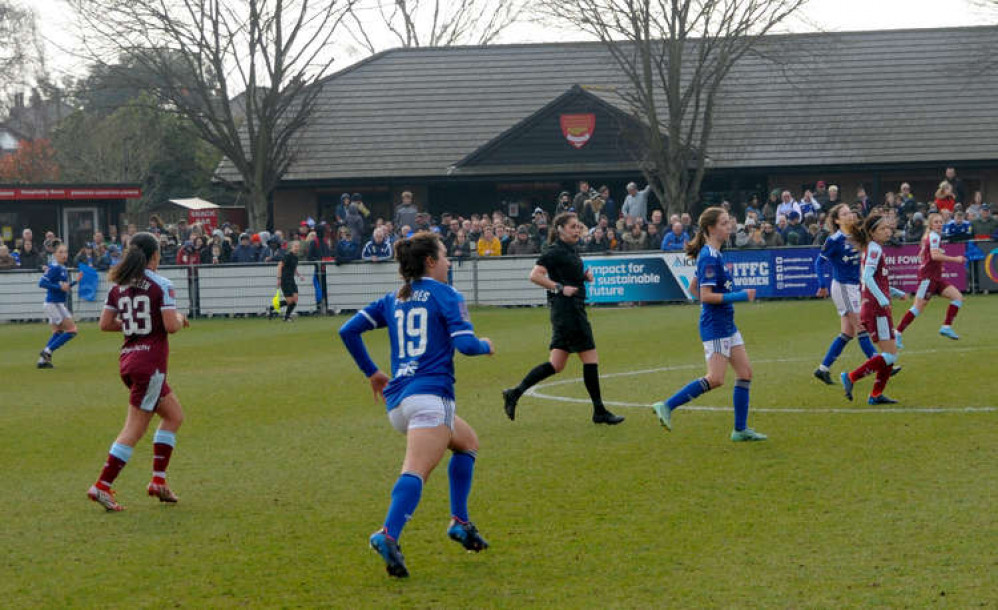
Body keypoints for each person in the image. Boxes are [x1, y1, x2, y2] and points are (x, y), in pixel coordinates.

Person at [339, 232, 494, 578]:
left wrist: (373, 373)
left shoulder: (394, 297)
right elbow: (466, 346)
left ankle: (460, 522)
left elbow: (347, 331)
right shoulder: (446, 295)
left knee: (467, 443)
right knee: (415, 471)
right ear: (430, 262)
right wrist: (485, 344)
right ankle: (388, 533)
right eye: (445, 255)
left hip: (399, 403)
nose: (450, 261)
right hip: (429, 398)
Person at [88, 232, 190, 511]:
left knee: (174, 416)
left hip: (129, 361)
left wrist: (135, 323)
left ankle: (159, 481)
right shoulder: (162, 284)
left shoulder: (119, 285)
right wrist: (180, 318)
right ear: (154, 255)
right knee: (133, 429)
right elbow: (170, 325)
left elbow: (105, 324)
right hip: (150, 365)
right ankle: (101, 486)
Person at [651, 208, 766, 441]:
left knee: (745, 373)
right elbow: (705, 295)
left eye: (728, 222)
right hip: (715, 326)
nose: (729, 227)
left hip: (725, 323)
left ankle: (740, 430)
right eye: (724, 223)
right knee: (715, 378)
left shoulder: (713, 254)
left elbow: (694, 288)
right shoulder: (709, 257)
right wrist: (741, 296)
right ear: (711, 228)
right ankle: (666, 405)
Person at [502, 212, 624, 425]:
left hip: (566, 310)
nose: (577, 230)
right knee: (590, 358)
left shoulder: (569, 249)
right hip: (569, 311)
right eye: (572, 227)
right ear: (560, 229)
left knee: (556, 364)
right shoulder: (555, 251)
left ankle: (514, 393)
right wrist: (559, 288)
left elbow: (566, 275)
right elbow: (535, 275)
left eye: (578, 226)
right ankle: (599, 411)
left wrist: (583, 277)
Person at [812, 204, 884, 384]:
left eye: (849, 212)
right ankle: (879, 364)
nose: (849, 215)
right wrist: (822, 284)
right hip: (843, 287)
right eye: (844, 214)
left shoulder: (857, 235)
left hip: (854, 286)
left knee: (848, 333)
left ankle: (823, 369)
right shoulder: (834, 240)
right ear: (837, 220)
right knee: (861, 326)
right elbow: (818, 263)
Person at [894, 213, 967, 345]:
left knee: (958, 297)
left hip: (936, 278)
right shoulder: (933, 237)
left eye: (941, 222)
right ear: (931, 225)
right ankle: (897, 333)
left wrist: (939, 266)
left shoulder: (931, 237)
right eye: (936, 222)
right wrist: (955, 259)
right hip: (927, 279)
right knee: (917, 308)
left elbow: (927, 255)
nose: (939, 224)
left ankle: (946, 327)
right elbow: (934, 255)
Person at [36, 243, 79, 369]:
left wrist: (75, 282)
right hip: (53, 304)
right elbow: (42, 283)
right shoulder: (54, 267)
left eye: (65, 252)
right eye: (60, 252)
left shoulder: (62, 268)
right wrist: (58, 286)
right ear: (54, 254)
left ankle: (42, 361)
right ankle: (47, 351)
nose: (64, 255)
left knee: (58, 332)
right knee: (72, 330)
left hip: (56, 303)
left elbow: (63, 288)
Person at [271, 241, 304, 321]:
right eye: (295, 246)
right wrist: (279, 279)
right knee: (290, 301)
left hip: (291, 280)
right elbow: (280, 265)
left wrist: (299, 275)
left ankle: (275, 309)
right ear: (291, 247)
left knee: (294, 299)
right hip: (285, 280)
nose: (296, 248)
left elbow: (294, 268)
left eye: (298, 246)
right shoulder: (287, 255)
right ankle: (285, 316)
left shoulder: (296, 257)